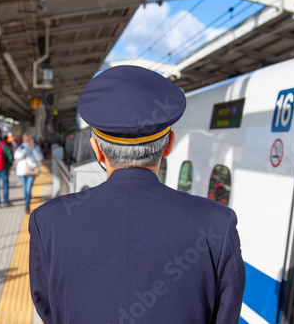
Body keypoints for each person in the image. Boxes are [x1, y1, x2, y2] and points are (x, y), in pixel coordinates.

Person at [29, 66, 245, 323]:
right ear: (169, 144)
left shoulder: (48, 222)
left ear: (97, 150)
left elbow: (50, 311)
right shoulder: (218, 224)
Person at [14, 132, 44, 214]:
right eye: (26, 138)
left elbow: (39, 158)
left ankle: (27, 204)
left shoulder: (35, 147)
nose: (27, 140)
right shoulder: (21, 147)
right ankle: (27, 202)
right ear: (23, 139)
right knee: (25, 188)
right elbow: (17, 156)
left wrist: (33, 149)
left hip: (32, 171)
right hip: (22, 171)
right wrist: (26, 149)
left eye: (29, 138)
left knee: (28, 187)